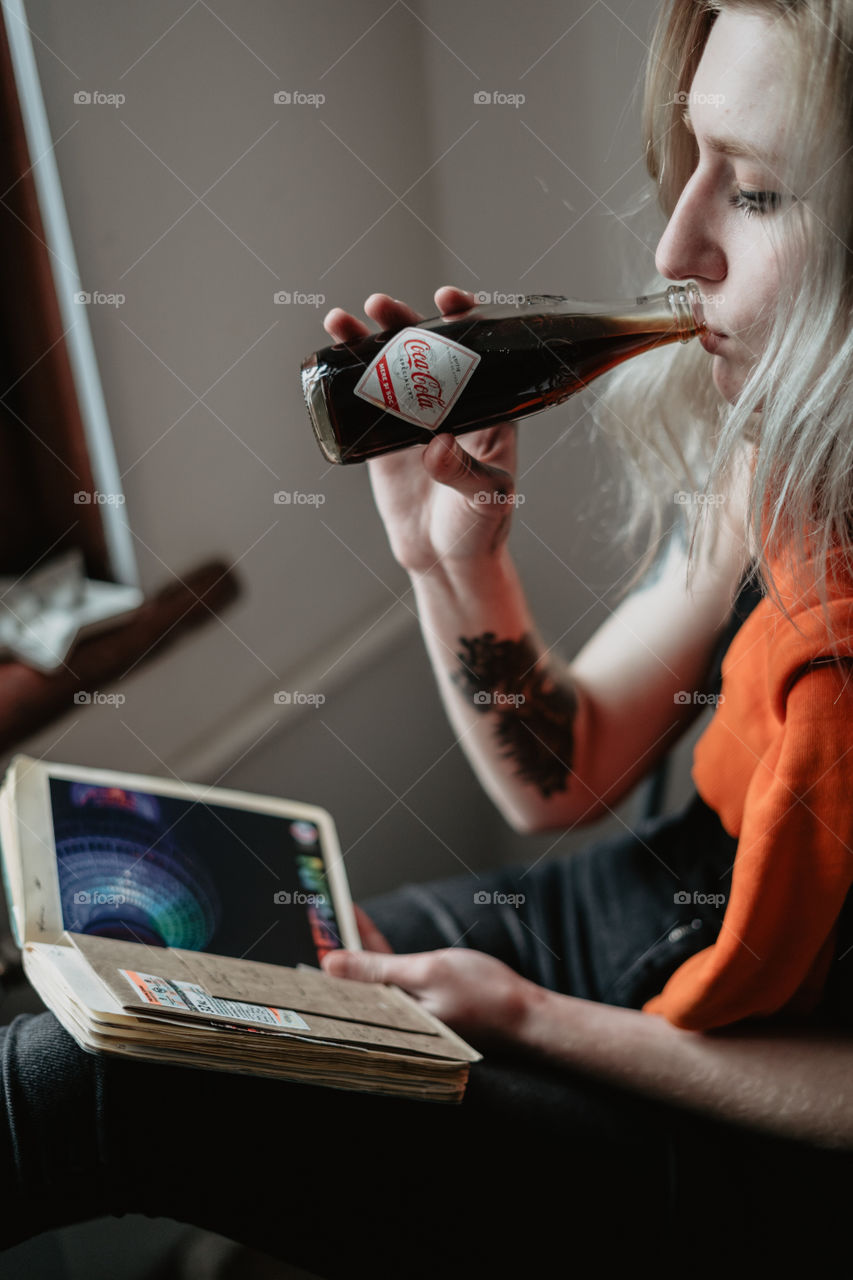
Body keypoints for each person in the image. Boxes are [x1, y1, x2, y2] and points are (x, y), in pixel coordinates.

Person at [2, 0, 853, 1271]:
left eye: (763, 194)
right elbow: (561, 773)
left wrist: (527, 1017)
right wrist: (450, 559)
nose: (677, 241)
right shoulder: (781, 468)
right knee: (163, 968)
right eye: (694, 160)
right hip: (644, 919)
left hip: (760, 1114)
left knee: (90, 1084)